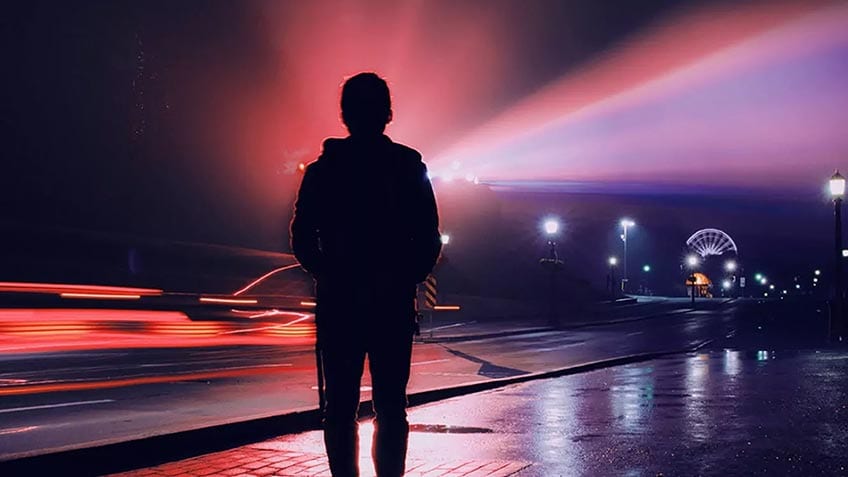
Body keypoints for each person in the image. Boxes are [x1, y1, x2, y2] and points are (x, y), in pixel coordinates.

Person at [290, 72, 441, 477]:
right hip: (390, 303)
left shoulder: (323, 171)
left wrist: (329, 273)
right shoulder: (408, 167)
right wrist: (404, 276)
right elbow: (429, 237)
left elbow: (302, 237)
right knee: (391, 406)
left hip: (340, 304)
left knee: (339, 407)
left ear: (345, 114)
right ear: (387, 113)